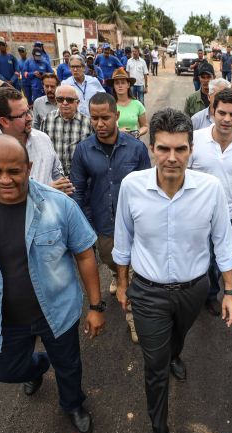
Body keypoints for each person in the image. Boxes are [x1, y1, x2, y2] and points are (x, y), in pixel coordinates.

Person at [0, 134, 104, 433]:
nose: (5, 180)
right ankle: (36, 367)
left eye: (14, 171)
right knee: (5, 371)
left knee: (69, 367)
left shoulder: (58, 205)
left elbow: (84, 253)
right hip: (4, 318)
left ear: (28, 167)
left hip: (57, 311)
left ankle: (73, 404)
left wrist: (95, 306)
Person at [112, 108, 232, 433]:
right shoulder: (132, 187)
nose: (172, 158)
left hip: (193, 290)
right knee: (154, 365)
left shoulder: (210, 190)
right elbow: (123, 240)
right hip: (148, 292)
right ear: (151, 147)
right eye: (163, 149)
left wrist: (229, 291)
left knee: (176, 340)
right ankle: (158, 431)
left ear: (191, 149)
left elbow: (224, 244)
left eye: (180, 149)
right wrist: (122, 284)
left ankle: (175, 354)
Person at [71, 92, 151, 342]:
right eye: (94, 118)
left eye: (105, 117)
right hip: (103, 228)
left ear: (116, 115)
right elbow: (78, 192)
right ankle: (118, 274)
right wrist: (88, 227)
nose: (99, 123)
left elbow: (148, 188)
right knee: (114, 262)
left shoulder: (136, 148)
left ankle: (133, 316)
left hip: (134, 227)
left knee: (138, 273)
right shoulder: (83, 151)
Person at [189, 89, 232, 313]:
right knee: (197, 256)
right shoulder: (195, 139)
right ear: (213, 112)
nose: (227, 119)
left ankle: (210, 295)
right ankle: (193, 294)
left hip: (228, 214)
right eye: (222, 113)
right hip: (195, 213)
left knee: (219, 260)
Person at [0, 86, 66, 189]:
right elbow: (2, 194)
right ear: (4, 121)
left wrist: (63, 187)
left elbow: (57, 173)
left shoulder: (43, 138)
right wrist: (48, 191)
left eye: (28, 111)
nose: (30, 118)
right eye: (23, 115)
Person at [39, 85, 93, 178]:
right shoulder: (47, 120)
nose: (65, 103)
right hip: (54, 178)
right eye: (60, 99)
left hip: (80, 178)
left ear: (78, 102)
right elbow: (41, 149)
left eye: (69, 100)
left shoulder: (87, 123)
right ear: (56, 101)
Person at [107, 68, 148, 138]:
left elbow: (145, 127)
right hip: (115, 145)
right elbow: (105, 128)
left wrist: (136, 133)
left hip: (134, 144)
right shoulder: (109, 106)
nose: (120, 86)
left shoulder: (137, 104)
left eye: (123, 82)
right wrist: (117, 131)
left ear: (128, 85)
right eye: (117, 83)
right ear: (113, 86)